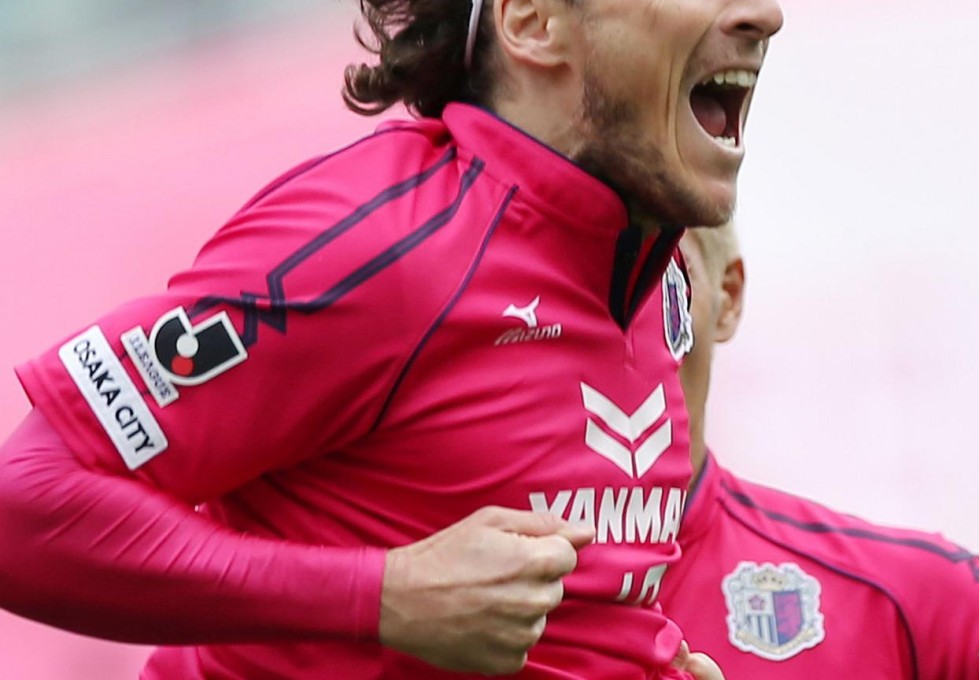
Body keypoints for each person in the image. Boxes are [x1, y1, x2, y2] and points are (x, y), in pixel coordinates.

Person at [0, 0, 783, 677]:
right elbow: (23, 506)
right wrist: (383, 595)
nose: (766, 16)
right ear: (532, 22)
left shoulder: (656, 277)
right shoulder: (383, 240)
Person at [663, 223, 979, 679]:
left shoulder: (927, 606)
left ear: (727, 297)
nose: (613, 317)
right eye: (571, 281)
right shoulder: (540, 611)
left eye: (667, 279)